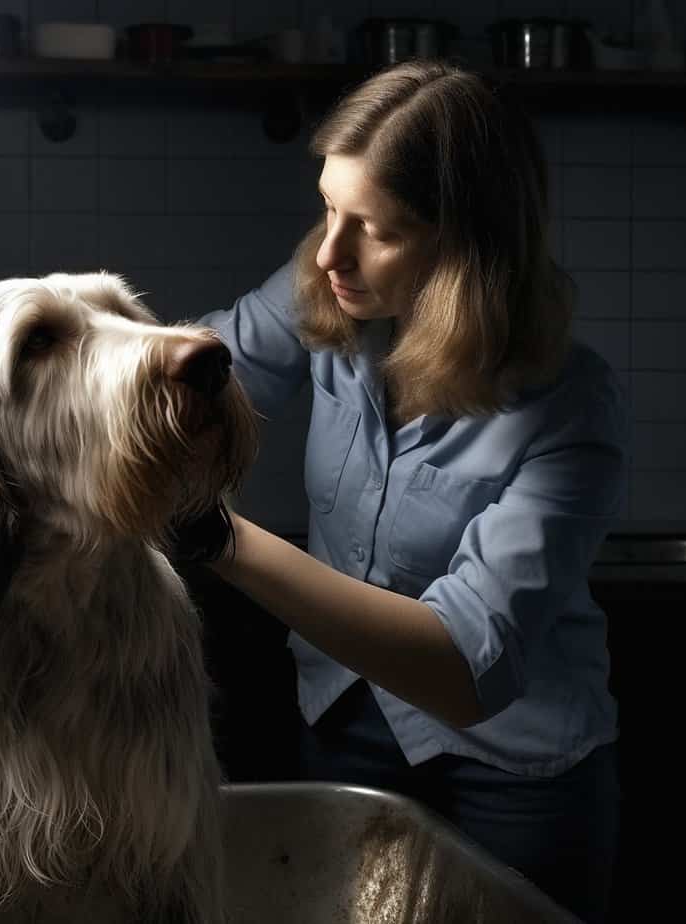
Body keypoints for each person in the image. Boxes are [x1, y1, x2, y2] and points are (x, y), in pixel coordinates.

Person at [187, 60, 627, 923]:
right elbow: (199, 375)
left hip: (517, 772)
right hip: (341, 723)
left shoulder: (571, 404)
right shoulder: (328, 296)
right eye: (328, 208)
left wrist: (220, 541)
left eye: (377, 229)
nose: (329, 253)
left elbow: (466, 665)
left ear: (468, 244)